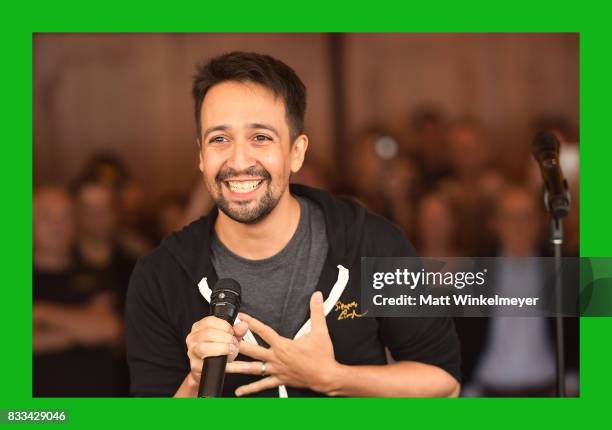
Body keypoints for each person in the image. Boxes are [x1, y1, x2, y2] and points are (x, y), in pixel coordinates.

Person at [125, 52, 461, 398]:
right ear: (200, 155)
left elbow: (444, 384)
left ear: (296, 152)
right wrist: (195, 380)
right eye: (220, 139)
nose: (239, 161)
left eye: (261, 138)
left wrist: (334, 378)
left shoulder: (372, 242)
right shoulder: (160, 277)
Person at [33, 187, 128, 396]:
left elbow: (111, 328)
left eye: (66, 217)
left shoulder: (98, 271)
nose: (58, 226)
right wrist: (82, 327)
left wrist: (39, 313)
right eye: (47, 217)